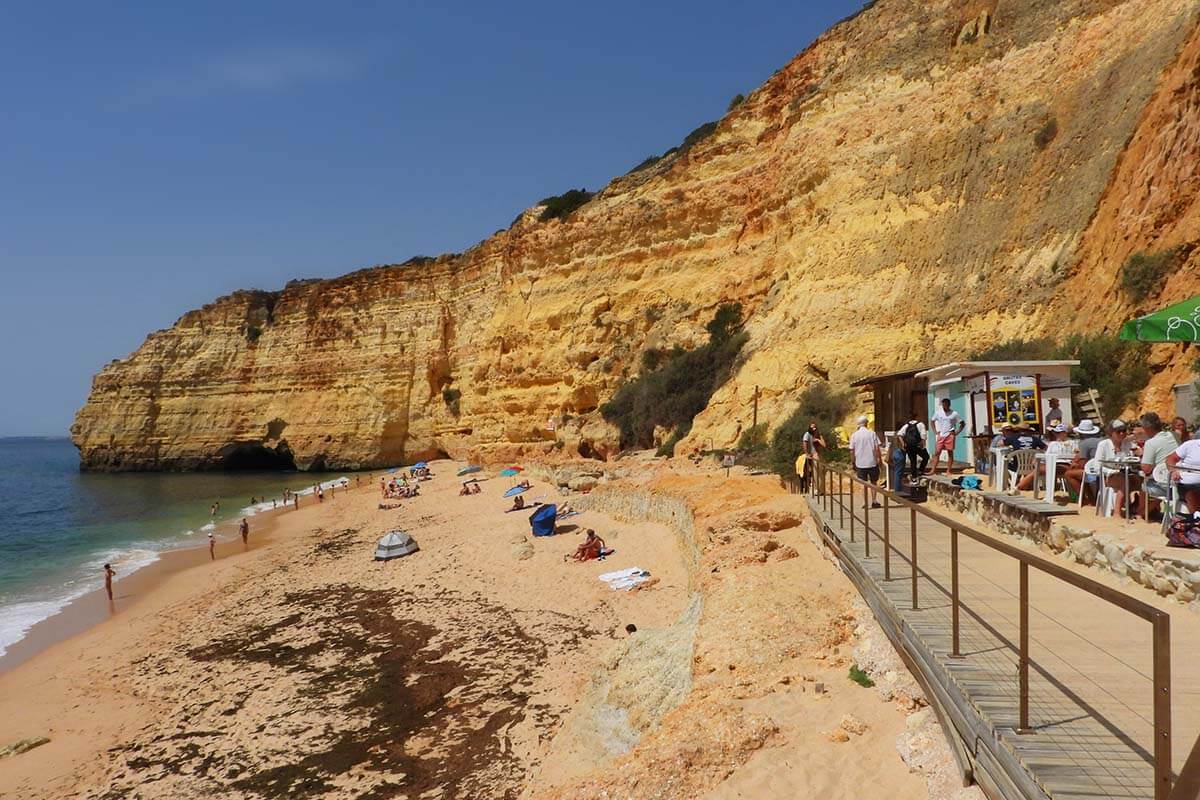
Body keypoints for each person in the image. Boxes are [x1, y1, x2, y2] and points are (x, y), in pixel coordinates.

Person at [1085, 420, 1135, 515]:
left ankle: (1139, 510)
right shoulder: (1103, 445)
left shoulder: (1128, 444)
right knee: (1123, 481)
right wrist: (1111, 472)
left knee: (1140, 481)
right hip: (1107, 476)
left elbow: (1131, 459)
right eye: (1118, 431)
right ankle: (1117, 512)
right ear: (1111, 433)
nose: (1122, 433)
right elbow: (1097, 466)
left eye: (1124, 431)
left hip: (1125, 473)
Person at [1138, 412, 1177, 519]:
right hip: (1177, 479)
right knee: (1161, 485)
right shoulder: (1171, 436)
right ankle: (1155, 510)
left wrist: (1142, 456)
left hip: (1165, 484)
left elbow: (1146, 469)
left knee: (1143, 485)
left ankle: (1142, 513)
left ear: (1147, 428)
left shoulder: (1151, 443)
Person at [1016, 424, 1074, 493]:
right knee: (1037, 469)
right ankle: (1019, 487)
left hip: (1066, 465)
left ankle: (1018, 488)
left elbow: (1074, 455)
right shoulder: (1053, 444)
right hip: (1053, 464)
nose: (1056, 434)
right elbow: (1046, 455)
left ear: (1065, 433)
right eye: (1056, 432)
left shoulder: (1072, 443)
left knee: (1040, 469)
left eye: (1059, 432)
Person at [1064, 419, 1103, 501]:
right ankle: (1091, 498)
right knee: (1081, 473)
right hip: (1103, 471)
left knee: (1069, 474)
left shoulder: (1084, 443)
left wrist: (1074, 464)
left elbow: (1083, 464)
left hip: (1094, 474)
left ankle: (1084, 498)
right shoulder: (1101, 440)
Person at [848, 416, 883, 507]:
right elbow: (876, 448)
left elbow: (852, 450)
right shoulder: (872, 434)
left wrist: (853, 462)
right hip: (872, 462)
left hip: (860, 463)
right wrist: (879, 460)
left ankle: (865, 502)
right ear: (866, 423)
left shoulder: (854, 435)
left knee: (862, 483)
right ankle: (874, 501)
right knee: (873, 482)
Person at [1002, 423, 1047, 493]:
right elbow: (1046, 448)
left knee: (1004, 463)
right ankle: (1026, 483)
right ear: (1029, 431)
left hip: (1017, 466)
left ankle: (1009, 484)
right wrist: (1037, 451)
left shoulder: (1013, 438)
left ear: (1019, 430)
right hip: (1031, 466)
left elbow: (1000, 444)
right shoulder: (1035, 439)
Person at [930, 398, 966, 476]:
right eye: (943, 404)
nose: (944, 406)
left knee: (950, 452)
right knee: (937, 452)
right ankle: (933, 470)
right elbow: (932, 421)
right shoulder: (938, 413)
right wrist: (935, 431)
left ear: (949, 405)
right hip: (941, 434)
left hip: (950, 434)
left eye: (946, 405)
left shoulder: (954, 413)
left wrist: (957, 432)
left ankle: (948, 470)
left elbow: (962, 423)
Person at [1167, 436, 1200, 514]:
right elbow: (1170, 459)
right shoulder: (1190, 445)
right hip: (1188, 483)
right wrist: (1173, 471)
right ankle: (1195, 518)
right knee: (1193, 491)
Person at [895, 414, 929, 478]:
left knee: (913, 461)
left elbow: (899, 434)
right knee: (926, 457)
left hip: (909, 446)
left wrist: (903, 444)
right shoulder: (920, 424)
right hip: (918, 445)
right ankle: (920, 470)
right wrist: (923, 444)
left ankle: (914, 477)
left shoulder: (906, 425)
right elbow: (923, 435)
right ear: (916, 417)